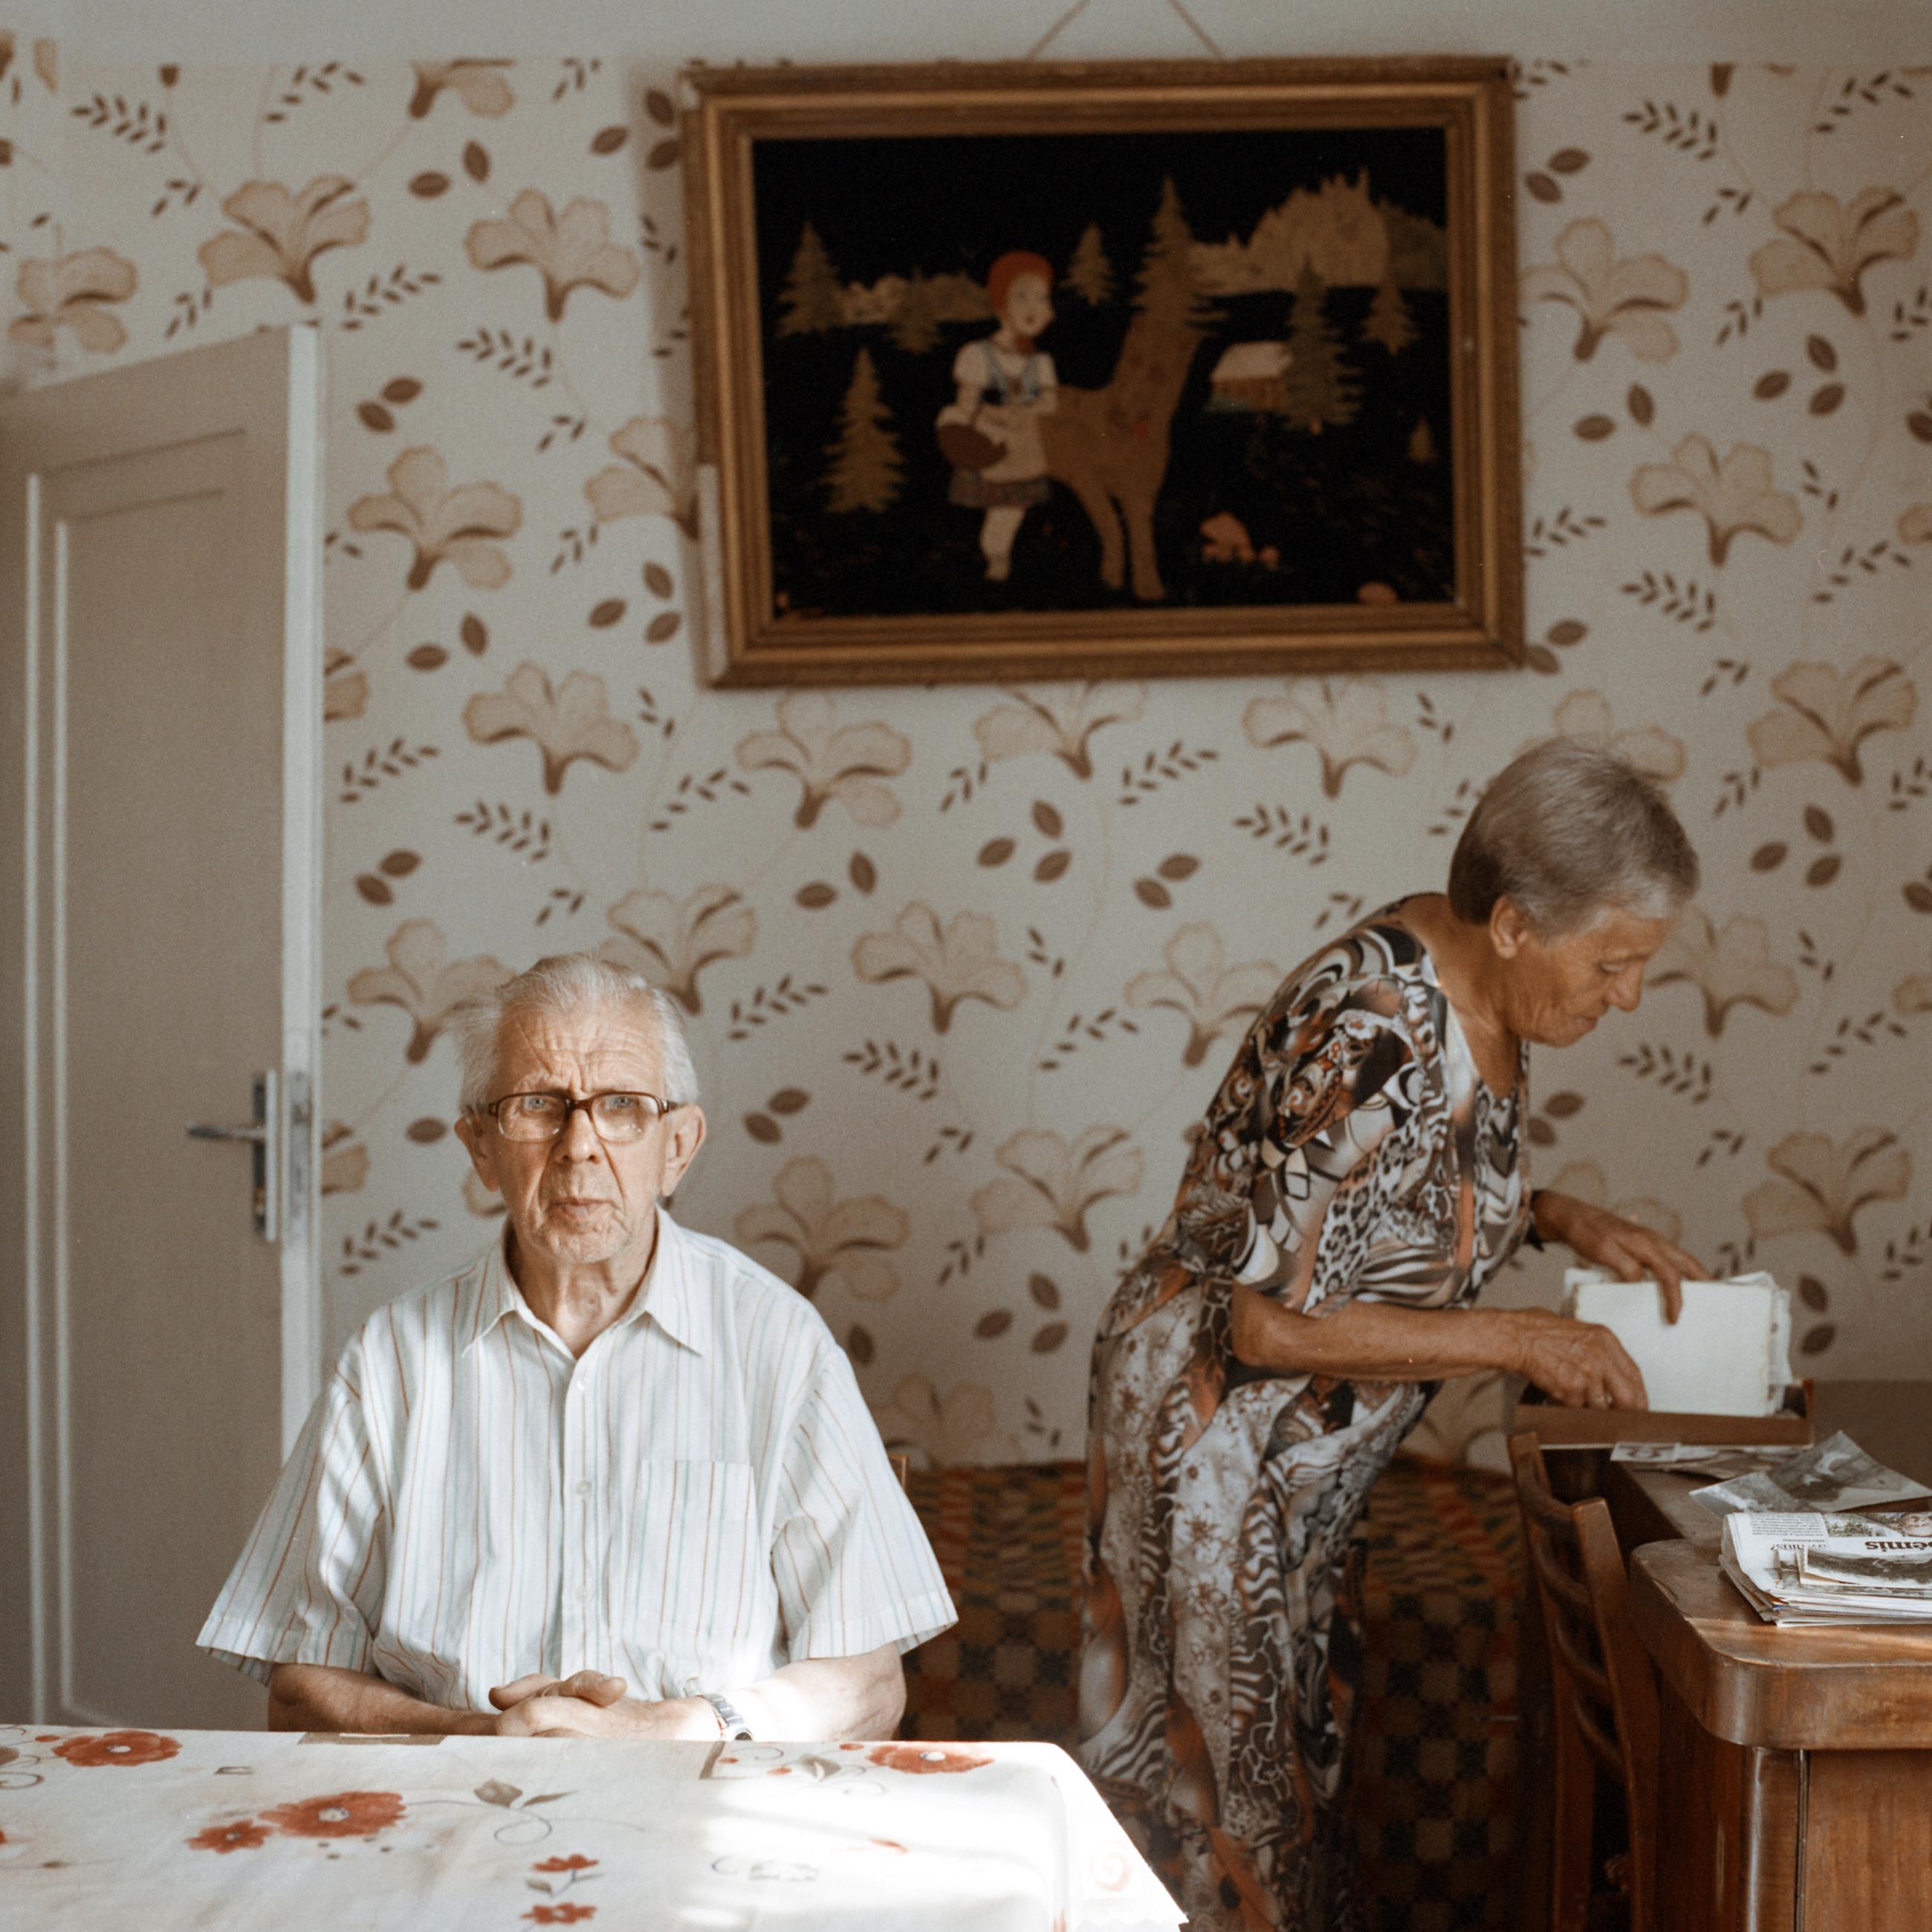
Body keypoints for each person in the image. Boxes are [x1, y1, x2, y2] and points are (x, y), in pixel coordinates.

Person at [1079, 741, 1708, 1931]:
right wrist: (1515, 1338)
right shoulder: (1370, 1032)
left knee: (1295, 1765)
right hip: (1217, 1431)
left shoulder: (1479, 978)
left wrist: (1558, 1215)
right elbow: (1269, 1319)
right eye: (1613, 963)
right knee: (1225, 1792)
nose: (1626, 996)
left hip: (1299, 1451)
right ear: (1515, 923)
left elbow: (1393, 1192)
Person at [198, 954, 954, 1740]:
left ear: (678, 1146)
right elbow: (300, 1681)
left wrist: (661, 1730)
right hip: (450, 1796)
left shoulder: (778, 1343)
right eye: (538, 1105)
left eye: (622, 1105)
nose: (578, 1145)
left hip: (700, 1795)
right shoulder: (390, 1361)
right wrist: (479, 1733)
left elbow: (869, 1685)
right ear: (480, 1146)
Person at [940, 248, 1059, 583]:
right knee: (999, 507)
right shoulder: (977, 355)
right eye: (1022, 296)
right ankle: (995, 557)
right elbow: (967, 403)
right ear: (1000, 301)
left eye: (1040, 298)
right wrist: (992, 419)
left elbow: (1050, 403)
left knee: (1013, 508)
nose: (1032, 307)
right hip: (993, 443)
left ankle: (1002, 558)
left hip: (1025, 448)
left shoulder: (1041, 363)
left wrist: (1025, 411)